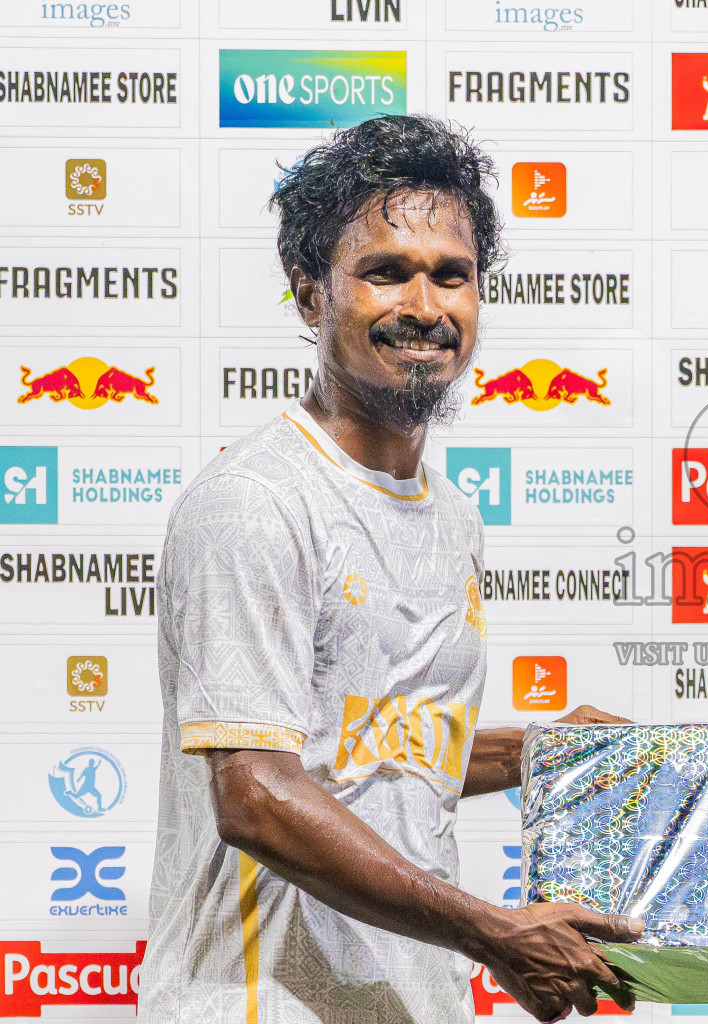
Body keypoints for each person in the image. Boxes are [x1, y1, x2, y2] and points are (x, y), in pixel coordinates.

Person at [141, 115, 641, 1024]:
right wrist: (493, 930)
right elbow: (255, 792)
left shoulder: (451, 516)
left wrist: (545, 755)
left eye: (452, 275)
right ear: (310, 297)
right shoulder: (257, 500)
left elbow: (378, 750)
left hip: (409, 1003)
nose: (425, 305)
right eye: (385, 272)